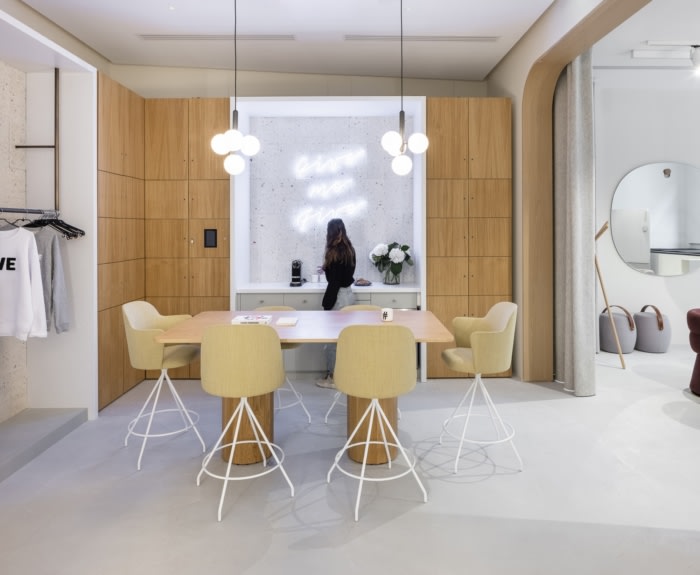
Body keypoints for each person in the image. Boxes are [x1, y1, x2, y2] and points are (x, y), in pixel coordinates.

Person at [316, 218, 356, 389]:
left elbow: (334, 281)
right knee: (345, 339)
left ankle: (333, 378)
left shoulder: (333, 252)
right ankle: (345, 374)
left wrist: (327, 303)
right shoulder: (349, 249)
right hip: (348, 295)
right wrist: (328, 268)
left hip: (338, 297)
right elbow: (343, 274)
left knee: (333, 340)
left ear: (330, 232)